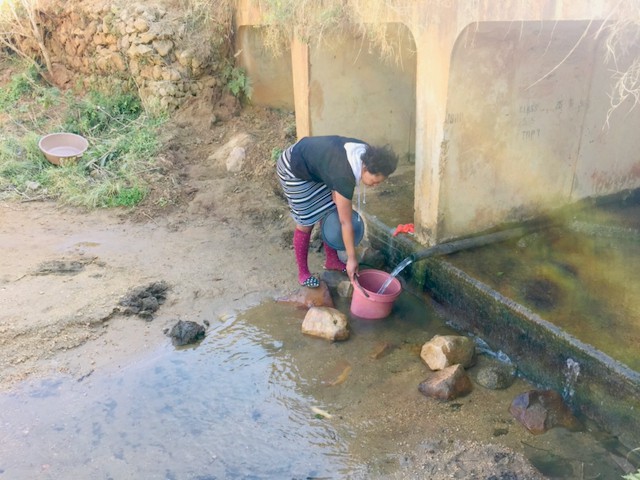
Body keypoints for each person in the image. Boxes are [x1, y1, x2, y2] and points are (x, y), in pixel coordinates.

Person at [276, 135, 399, 288]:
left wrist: (335, 188)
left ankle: (331, 260)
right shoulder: (343, 177)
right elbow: (345, 222)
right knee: (306, 221)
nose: (375, 186)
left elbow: (333, 168)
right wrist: (352, 258)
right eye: (375, 181)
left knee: (330, 210)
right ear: (365, 168)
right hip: (294, 169)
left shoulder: (367, 154)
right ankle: (303, 273)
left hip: (317, 165)